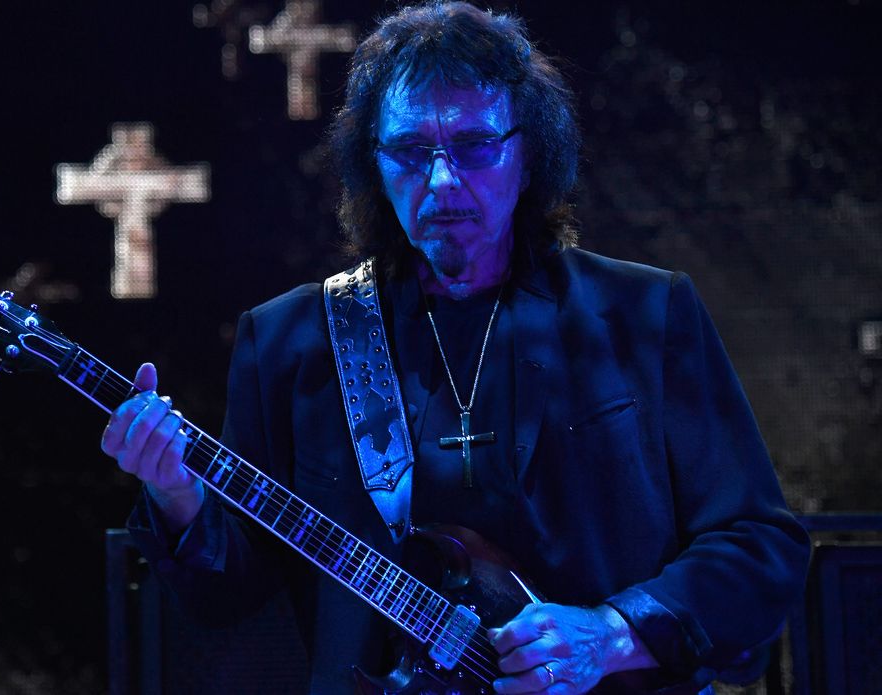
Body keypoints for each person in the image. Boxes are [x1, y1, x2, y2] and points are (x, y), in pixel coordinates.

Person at [101, 2, 810, 693]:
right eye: (411, 152)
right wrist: (175, 492)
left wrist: (608, 632)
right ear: (373, 165)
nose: (442, 183)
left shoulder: (642, 315)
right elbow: (230, 597)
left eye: (473, 147)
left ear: (527, 154)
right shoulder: (293, 342)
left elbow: (759, 546)